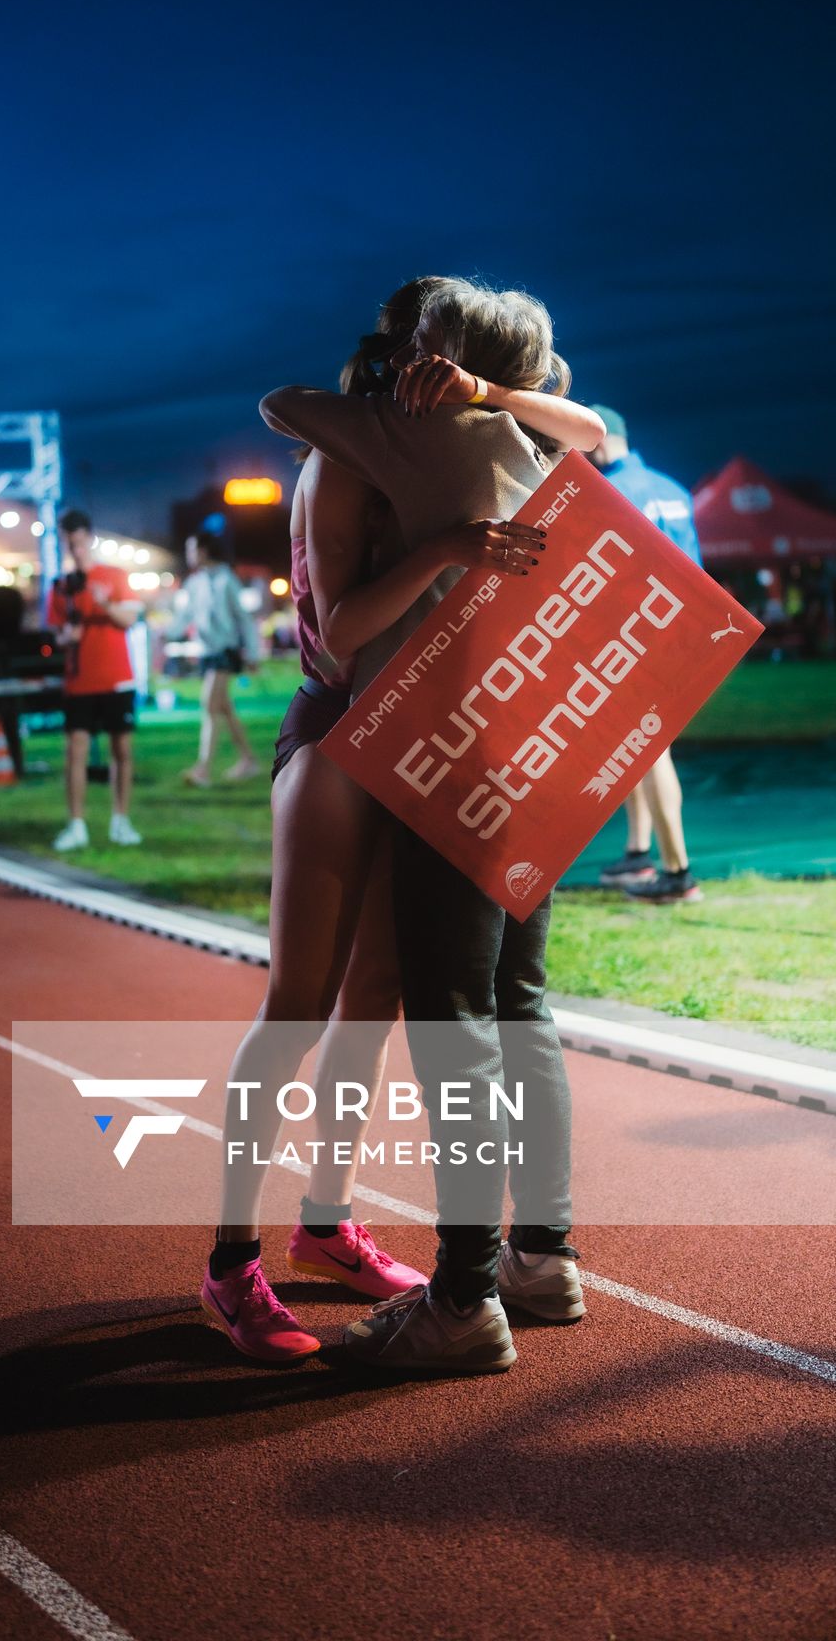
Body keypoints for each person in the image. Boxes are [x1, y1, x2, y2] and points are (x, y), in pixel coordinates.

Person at [200, 280, 604, 1371]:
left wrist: (485, 400)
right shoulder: (348, 458)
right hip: (342, 734)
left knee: (378, 1004)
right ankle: (230, 1261)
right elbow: (336, 641)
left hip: (431, 736)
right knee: (298, 1002)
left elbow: (592, 433)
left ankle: (326, 1224)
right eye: (412, 356)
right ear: (390, 368)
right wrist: (446, 552)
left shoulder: (472, 438)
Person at [588, 406, 703, 904]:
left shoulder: (607, 492)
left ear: (596, 440)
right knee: (634, 749)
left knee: (647, 748)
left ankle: (679, 873)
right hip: (682, 633)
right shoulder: (673, 488)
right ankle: (639, 853)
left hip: (636, 635)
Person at [47, 509, 143, 851]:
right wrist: (66, 637)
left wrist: (104, 604)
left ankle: (121, 820)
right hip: (79, 680)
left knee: (122, 750)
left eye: (79, 542)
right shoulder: (60, 587)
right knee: (75, 752)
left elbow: (129, 619)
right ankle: (76, 826)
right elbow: (57, 635)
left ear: (90, 538)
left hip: (117, 677)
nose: (75, 550)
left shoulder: (114, 576)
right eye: (68, 544)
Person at [179, 527, 262, 788]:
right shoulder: (195, 582)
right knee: (224, 709)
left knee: (209, 704)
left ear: (203, 551)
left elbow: (244, 619)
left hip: (225, 652)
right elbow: (185, 616)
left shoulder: (227, 580)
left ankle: (203, 769)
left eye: (191, 549)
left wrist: (253, 652)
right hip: (207, 653)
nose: (188, 555)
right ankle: (249, 759)